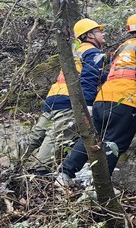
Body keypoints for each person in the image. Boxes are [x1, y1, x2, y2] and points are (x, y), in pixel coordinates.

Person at [58, 13, 136, 185]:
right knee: (114, 144)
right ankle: (98, 186)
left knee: (91, 140)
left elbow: (119, 72)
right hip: (126, 101)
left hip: (103, 99)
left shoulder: (122, 47)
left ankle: (65, 175)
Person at [20, 18, 107, 174]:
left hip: (53, 98)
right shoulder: (93, 52)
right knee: (55, 137)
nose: (103, 33)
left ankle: (13, 164)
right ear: (90, 35)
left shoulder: (74, 52)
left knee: (36, 136)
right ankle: (39, 173)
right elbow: (89, 78)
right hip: (69, 100)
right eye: (99, 31)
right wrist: (87, 104)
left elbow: (88, 74)